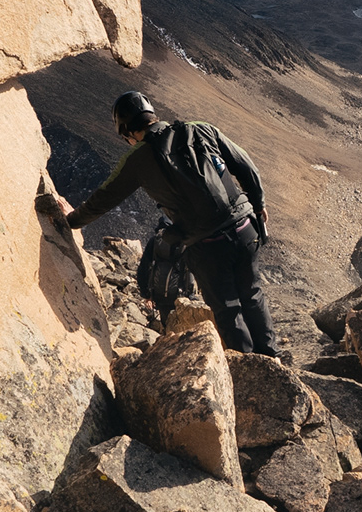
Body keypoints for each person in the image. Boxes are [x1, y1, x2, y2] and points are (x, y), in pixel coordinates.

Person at [59, 91, 279, 356]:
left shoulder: (138, 158)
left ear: (128, 130)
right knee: (253, 295)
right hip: (245, 229)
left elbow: (103, 199)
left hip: (207, 245)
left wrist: (70, 220)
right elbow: (244, 163)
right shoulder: (199, 129)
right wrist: (259, 203)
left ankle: (249, 368)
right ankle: (272, 359)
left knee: (228, 308)